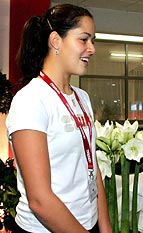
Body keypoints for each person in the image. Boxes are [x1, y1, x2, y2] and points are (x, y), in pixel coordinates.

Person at [6, 4, 112, 233]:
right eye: (84, 39)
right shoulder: (31, 100)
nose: (92, 48)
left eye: (92, 40)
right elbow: (40, 200)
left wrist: (104, 227)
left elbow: (91, 168)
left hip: (87, 223)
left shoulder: (82, 98)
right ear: (56, 40)